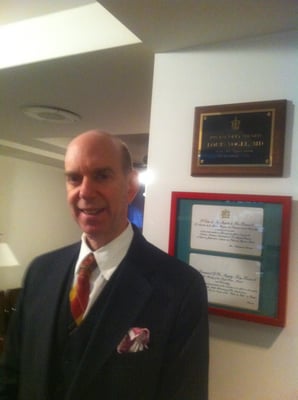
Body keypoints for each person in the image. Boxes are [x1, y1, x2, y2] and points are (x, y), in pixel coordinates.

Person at [0, 130, 209, 400]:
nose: (85, 191)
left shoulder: (181, 286)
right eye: (74, 178)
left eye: (102, 175)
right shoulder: (40, 271)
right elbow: (11, 375)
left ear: (131, 186)